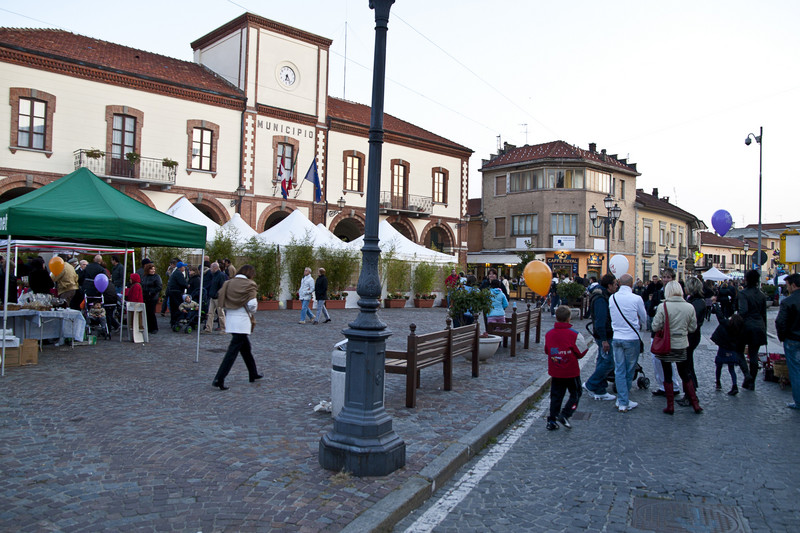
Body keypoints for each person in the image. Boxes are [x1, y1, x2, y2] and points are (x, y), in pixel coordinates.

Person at [652, 280, 701, 414]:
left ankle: (670, 406)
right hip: (681, 344)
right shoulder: (689, 307)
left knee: (667, 375)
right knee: (685, 373)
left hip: (666, 345)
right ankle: (695, 403)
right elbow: (693, 328)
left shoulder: (664, 306)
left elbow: (655, 326)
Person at [212, 264, 261, 390]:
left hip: (231, 319)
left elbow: (221, 299)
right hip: (243, 320)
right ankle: (219, 378)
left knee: (246, 348)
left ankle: (253, 373)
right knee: (232, 352)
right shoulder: (250, 285)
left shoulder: (228, 283)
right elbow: (252, 305)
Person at [544, 305, 589, 430]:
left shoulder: (549, 334)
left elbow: (547, 350)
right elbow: (582, 352)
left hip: (556, 369)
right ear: (569, 318)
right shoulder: (574, 334)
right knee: (576, 393)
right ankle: (566, 413)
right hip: (571, 370)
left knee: (556, 395)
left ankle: (552, 420)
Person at [609, 274, 648, 413]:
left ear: (619, 283)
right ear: (631, 284)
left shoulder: (612, 298)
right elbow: (644, 318)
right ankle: (624, 401)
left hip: (617, 336)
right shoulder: (636, 299)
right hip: (631, 337)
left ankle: (621, 399)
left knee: (619, 370)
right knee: (629, 370)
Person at [583, 274, 617, 401]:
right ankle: (591, 384)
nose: (616, 286)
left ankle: (600, 388)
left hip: (605, 333)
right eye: (615, 284)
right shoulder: (601, 299)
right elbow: (600, 320)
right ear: (609, 285)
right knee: (608, 362)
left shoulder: (603, 296)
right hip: (604, 334)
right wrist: (603, 339)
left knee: (603, 360)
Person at [649, 269, 681, 397]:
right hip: (658, 333)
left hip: (672, 331)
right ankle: (662, 386)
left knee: (671, 362)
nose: (666, 280)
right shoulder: (658, 294)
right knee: (656, 360)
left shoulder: (678, 294)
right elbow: (650, 310)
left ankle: (674, 386)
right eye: (664, 277)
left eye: (669, 277)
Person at [679, 277, 707, 407]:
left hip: (690, 336)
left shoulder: (695, 303)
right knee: (688, 364)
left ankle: (690, 393)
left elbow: (693, 322)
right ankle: (690, 392)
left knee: (687, 366)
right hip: (692, 336)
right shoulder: (696, 301)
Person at [738, 269, 767, 390]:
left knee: (739, 351)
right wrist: (764, 329)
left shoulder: (743, 293)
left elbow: (743, 311)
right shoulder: (761, 295)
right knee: (754, 354)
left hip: (746, 326)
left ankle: (747, 375)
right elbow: (763, 314)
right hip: (759, 326)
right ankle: (751, 382)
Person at [775, 273, 800, 409]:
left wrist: (782, 336)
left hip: (793, 339)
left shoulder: (788, 302)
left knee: (796, 370)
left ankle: (798, 401)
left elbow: (780, 322)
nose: (787, 288)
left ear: (793, 285)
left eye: (788, 285)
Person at [711, 306, 746, 396]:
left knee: (719, 366)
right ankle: (734, 385)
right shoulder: (739, 329)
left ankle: (718, 382)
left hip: (723, 348)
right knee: (731, 369)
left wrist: (716, 306)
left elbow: (720, 317)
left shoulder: (726, 324)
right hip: (732, 349)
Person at [204, 262, 227, 333]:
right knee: (210, 313)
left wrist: (218, 294)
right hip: (212, 296)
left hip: (218, 298)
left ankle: (223, 329)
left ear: (215, 268)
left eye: (211, 267)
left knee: (220, 314)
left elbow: (223, 287)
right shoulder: (214, 275)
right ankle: (208, 328)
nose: (210, 269)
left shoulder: (220, 275)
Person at [140, 262, 162, 334]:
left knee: (151, 312)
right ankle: (148, 327)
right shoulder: (144, 277)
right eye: (151, 269)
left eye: (154, 269)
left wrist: (152, 292)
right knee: (146, 313)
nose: (153, 270)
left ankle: (154, 327)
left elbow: (159, 287)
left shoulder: (156, 277)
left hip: (153, 297)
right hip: (145, 296)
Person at [167, 262, 189, 330]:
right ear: (180, 267)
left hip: (172, 292)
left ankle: (173, 322)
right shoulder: (179, 274)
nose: (184, 268)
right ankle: (176, 322)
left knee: (173, 307)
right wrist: (187, 285)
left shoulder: (175, 273)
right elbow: (182, 283)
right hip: (177, 292)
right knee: (178, 307)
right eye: (183, 267)